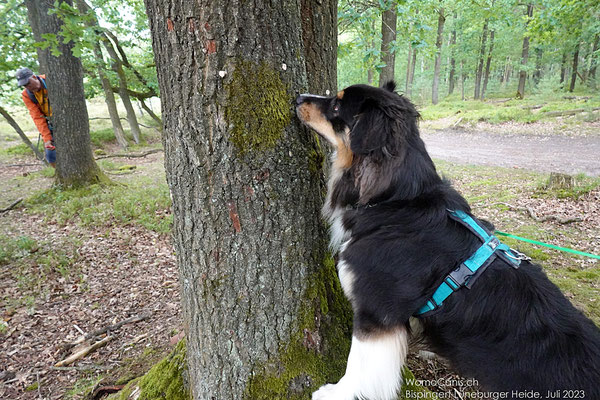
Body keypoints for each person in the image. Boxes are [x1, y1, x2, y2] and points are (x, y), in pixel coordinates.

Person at [16, 67, 55, 167]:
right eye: (24, 85)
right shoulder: (26, 95)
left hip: (65, 120)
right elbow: (37, 117)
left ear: (34, 77)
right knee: (51, 155)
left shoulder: (51, 79)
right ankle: (59, 175)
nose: (28, 87)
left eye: (28, 83)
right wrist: (47, 139)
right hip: (50, 124)